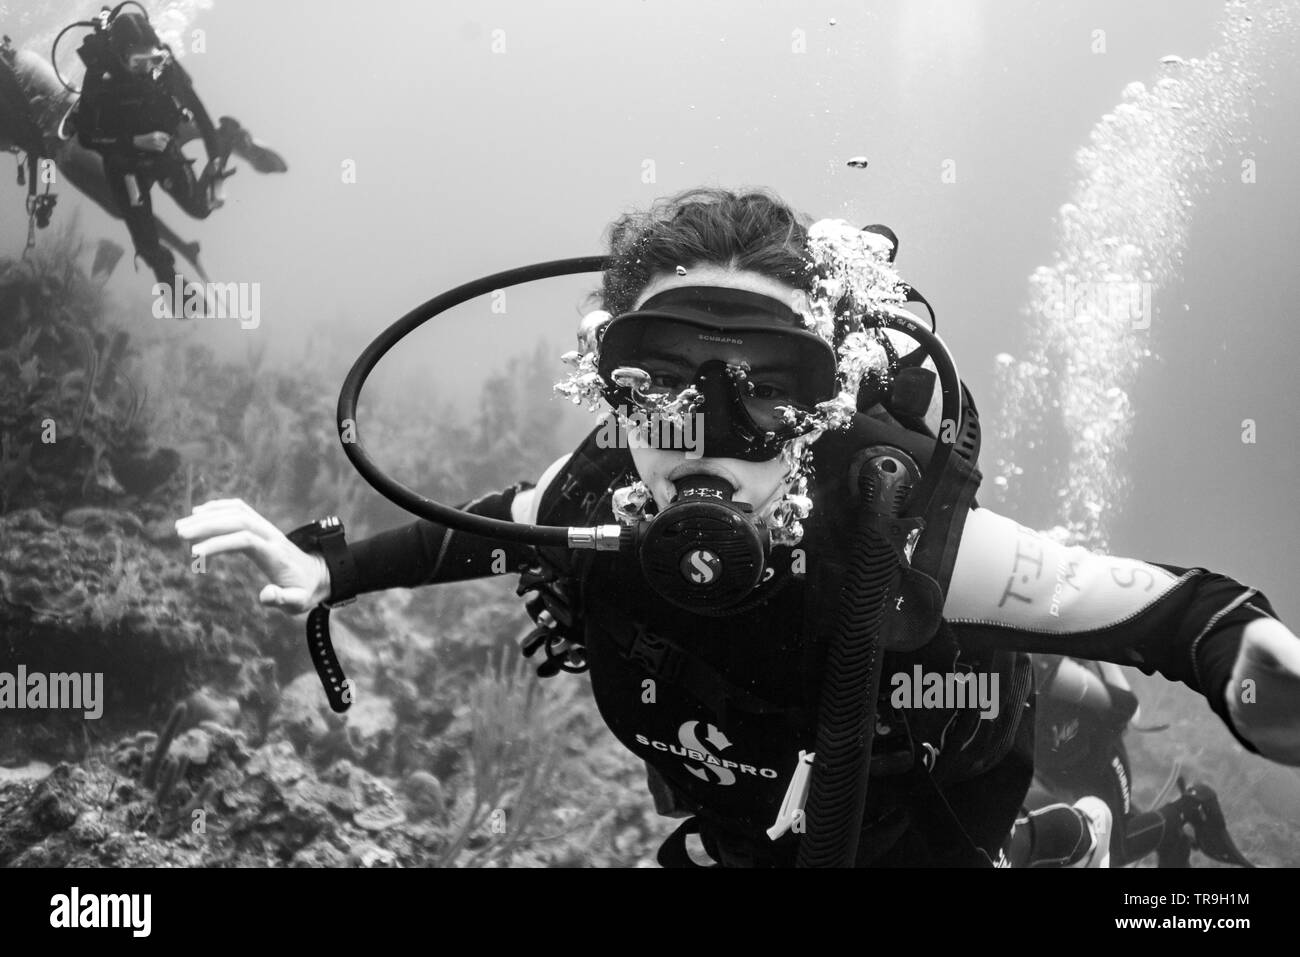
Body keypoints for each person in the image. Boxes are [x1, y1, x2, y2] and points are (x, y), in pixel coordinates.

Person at [175, 188, 1300, 867]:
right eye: (661, 381)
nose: (709, 431)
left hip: (931, 813)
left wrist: (1236, 652)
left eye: (769, 386)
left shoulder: (888, 525)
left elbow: (1162, 611)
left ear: (823, 404)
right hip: (749, 826)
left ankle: (1092, 825)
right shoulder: (590, 493)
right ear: (609, 388)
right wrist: (332, 572)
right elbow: (469, 534)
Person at [63, 7, 283, 287]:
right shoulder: (99, 76)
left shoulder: (164, 68)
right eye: (137, 61)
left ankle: (227, 137)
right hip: (125, 166)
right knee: (146, 241)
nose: (147, 68)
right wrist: (132, 141)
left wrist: (216, 159)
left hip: (164, 151)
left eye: (151, 57)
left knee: (201, 209)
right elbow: (86, 137)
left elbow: (199, 111)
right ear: (119, 55)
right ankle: (176, 292)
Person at [1028, 655, 1252, 867]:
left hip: (1099, 765)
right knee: (1089, 845)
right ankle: (1173, 840)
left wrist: (1099, 659)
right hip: (1055, 772)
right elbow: (994, 723)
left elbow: (1125, 705)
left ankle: (1193, 805)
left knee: (1115, 852)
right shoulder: (997, 671)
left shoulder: (1047, 670)